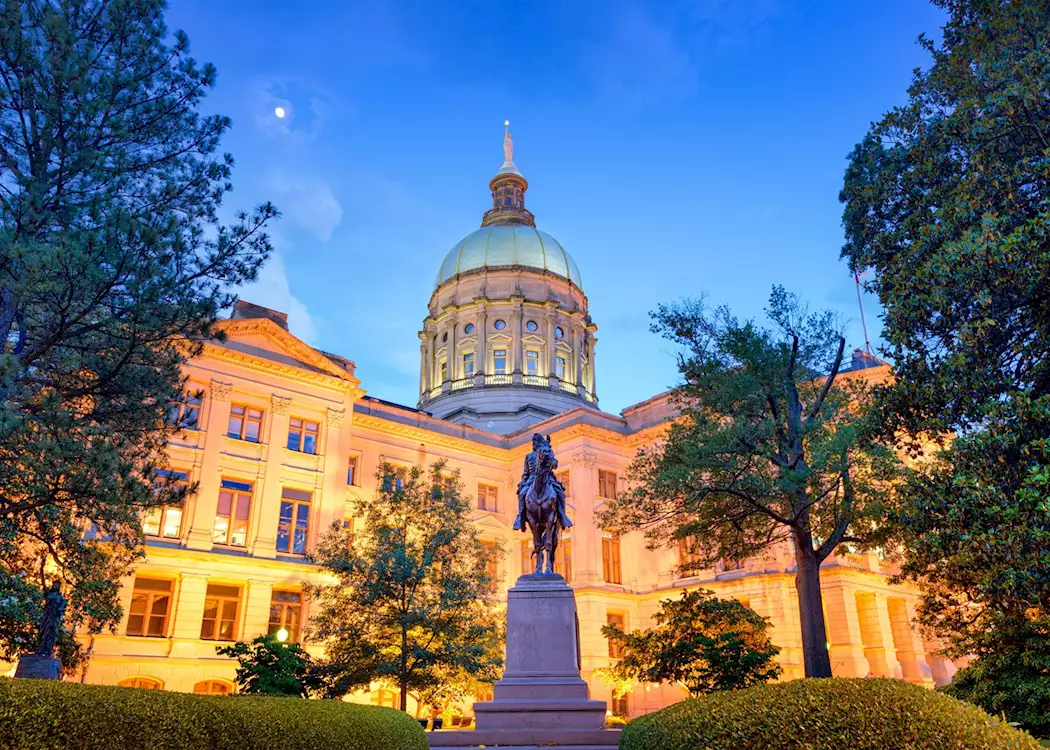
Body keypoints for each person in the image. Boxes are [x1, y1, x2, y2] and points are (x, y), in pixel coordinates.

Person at [513, 433, 572, 531]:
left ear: (539, 442)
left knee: (560, 492)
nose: (533, 443)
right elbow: (526, 472)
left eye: (535, 441)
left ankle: (562, 515)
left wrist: (548, 461)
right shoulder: (528, 456)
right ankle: (520, 517)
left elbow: (554, 464)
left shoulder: (547, 452)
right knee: (522, 493)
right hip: (531, 479)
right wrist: (523, 482)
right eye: (533, 441)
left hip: (547, 477)